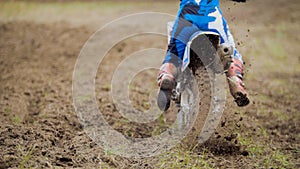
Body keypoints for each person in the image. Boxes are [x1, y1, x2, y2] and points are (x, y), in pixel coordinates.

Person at [157, 0, 249, 110]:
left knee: (173, 55)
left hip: (186, 18)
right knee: (232, 53)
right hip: (213, 19)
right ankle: (236, 82)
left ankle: (167, 76)